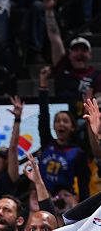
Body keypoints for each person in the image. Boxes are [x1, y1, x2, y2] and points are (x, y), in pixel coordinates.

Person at [38, 66, 89, 200]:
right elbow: (43, 116)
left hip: (65, 200)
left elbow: (84, 185)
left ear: (73, 127)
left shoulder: (77, 153)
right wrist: (43, 84)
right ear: (54, 126)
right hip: (43, 197)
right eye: (58, 121)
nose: (61, 124)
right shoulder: (47, 143)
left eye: (65, 121)